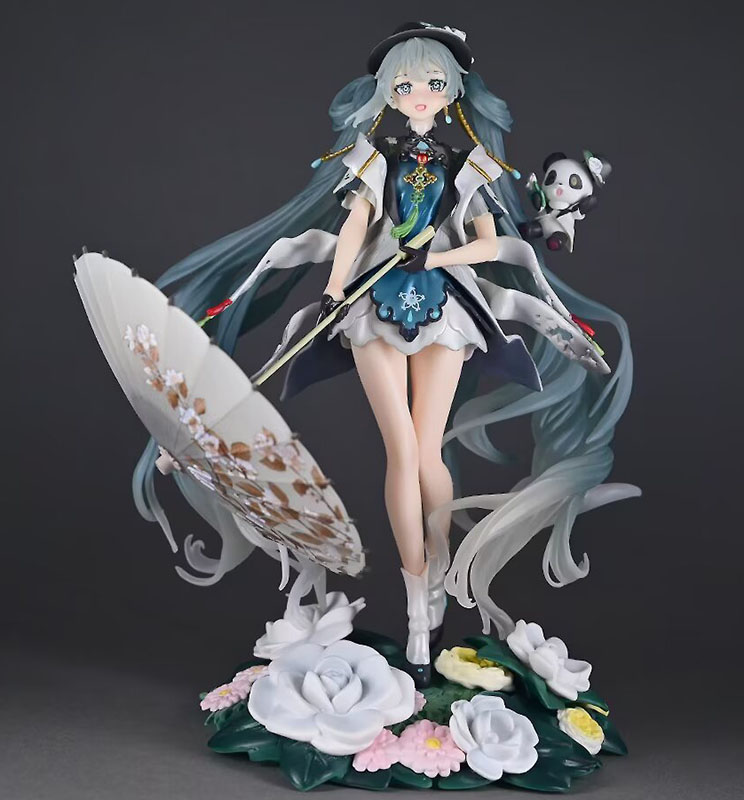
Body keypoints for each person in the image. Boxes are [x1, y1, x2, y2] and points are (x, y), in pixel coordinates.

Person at [134, 22, 637, 688]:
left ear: (452, 91)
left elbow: (490, 244)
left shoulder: (469, 164)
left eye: (432, 83)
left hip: (447, 307)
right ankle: (417, 603)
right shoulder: (375, 158)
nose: (419, 94)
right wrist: (336, 288)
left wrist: (441, 257)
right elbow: (353, 229)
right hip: (372, 308)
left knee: (426, 451)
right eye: (405, 84)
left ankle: (436, 581)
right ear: (388, 93)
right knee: (402, 451)